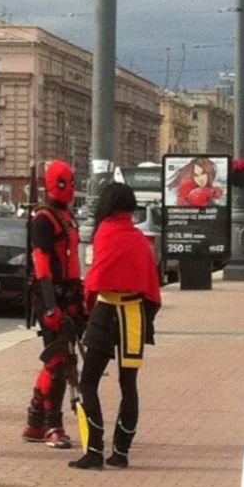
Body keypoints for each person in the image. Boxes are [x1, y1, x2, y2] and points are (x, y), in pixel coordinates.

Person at [68, 182, 161, 470]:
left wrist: (87, 311)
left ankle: (94, 449)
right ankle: (121, 451)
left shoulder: (105, 232)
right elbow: (152, 287)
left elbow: (95, 279)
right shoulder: (140, 239)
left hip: (106, 309)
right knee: (128, 385)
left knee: (89, 381)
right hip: (133, 313)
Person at [21, 159, 85, 449]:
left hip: (69, 295)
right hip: (51, 297)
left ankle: (36, 422)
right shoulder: (43, 220)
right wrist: (49, 305)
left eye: (70, 183)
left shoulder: (66, 217)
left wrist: (79, 299)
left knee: (60, 360)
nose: (68, 188)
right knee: (58, 362)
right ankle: (51, 424)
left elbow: (73, 262)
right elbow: (42, 265)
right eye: (62, 183)